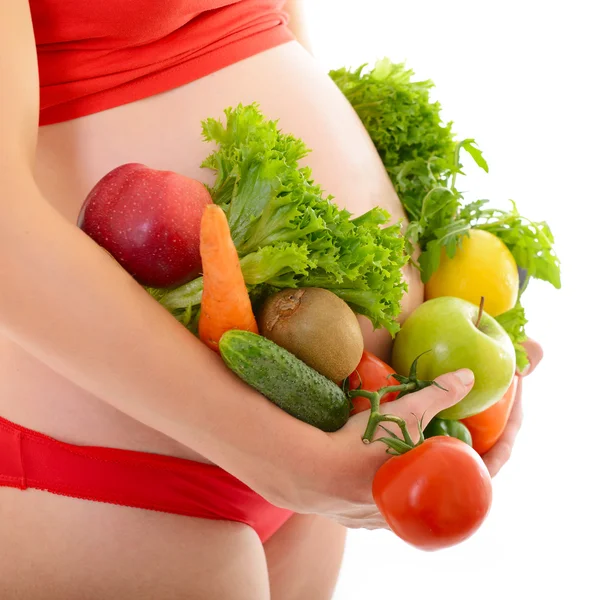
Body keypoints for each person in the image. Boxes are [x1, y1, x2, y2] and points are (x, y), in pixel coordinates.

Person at [0, 1, 543, 598]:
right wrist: (283, 458)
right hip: (110, 469)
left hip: (324, 424)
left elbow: (271, 34)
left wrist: (436, 337)